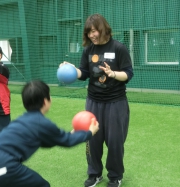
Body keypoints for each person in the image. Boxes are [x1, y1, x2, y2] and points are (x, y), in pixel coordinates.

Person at [0, 80, 99, 187]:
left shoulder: (23, 119)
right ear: (45, 101)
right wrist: (89, 133)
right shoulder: (41, 122)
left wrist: (69, 135)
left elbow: (48, 140)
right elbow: (67, 141)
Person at [60, 14, 134, 187]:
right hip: (93, 102)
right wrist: (71, 70)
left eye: (94, 31)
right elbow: (84, 73)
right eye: (88, 32)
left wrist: (113, 74)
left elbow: (128, 74)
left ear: (103, 28)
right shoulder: (88, 50)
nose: (92, 35)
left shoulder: (118, 48)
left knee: (115, 141)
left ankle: (115, 176)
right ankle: (94, 174)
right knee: (92, 140)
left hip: (116, 102)